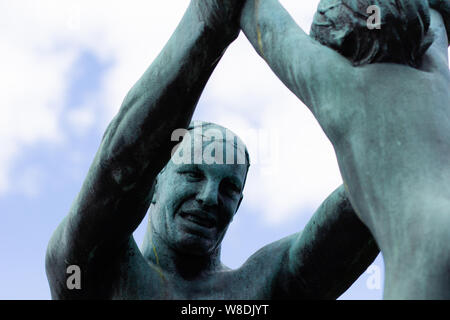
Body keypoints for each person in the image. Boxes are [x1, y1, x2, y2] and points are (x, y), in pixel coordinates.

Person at [46, 0, 378, 299]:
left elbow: (379, 192)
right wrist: (208, 22)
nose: (209, 197)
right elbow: (120, 170)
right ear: (156, 181)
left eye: (229, 187)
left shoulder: (262, 289)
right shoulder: (98, 269)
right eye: (192, 173)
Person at [240, 0, 450, 299]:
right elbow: (436, 18)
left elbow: (269, 25)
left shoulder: (340, 84)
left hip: (427, 249)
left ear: (338, 39)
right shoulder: (439, 74)